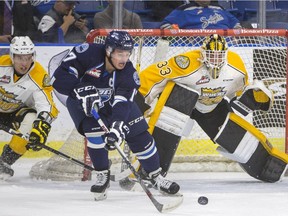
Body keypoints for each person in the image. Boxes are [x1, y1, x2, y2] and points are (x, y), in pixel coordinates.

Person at [137, 34, 288, 183]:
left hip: (211, 107)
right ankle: (149, 169)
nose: (215, 60)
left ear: (225, 55)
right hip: (182, 102)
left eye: (219, 56)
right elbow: (152, 75)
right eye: (211, 55)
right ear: (202, 53)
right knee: (170, 122)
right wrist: (137, 101)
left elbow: (241, 91)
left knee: (239, 141)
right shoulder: (186, 63)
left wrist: (254, 96)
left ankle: (269, 166)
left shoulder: (235, 66)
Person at [51, 30, 180, 200]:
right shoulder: (87, 53)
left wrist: (117, 127)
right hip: (82, 102)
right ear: (108, 50)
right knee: (95, 135)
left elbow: (123, 103)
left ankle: (156, 176)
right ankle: (102, 174)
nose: (124, 59)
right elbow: (59, 77)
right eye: (120, 54)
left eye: (127, 54)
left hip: (112, 104)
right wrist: (78, 88)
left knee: (140, 135)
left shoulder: (128, 73)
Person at [0, 36, 59, 180]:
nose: (24, 63)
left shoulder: (39, 75)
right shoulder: (2, 64)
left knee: (33, 120)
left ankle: (4, 162)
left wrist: (41, 126)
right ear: (12, 56)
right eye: (20, 58)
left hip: (16, 112)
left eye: (28, 58)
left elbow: (46, 105)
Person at [160, 0, 242, 29]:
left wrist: (237, 30)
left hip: (225, 43)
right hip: (198, 44)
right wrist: (172, 29)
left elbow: (235, 23)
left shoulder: (219, 8)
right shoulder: (184, 9)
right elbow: (165, 25)